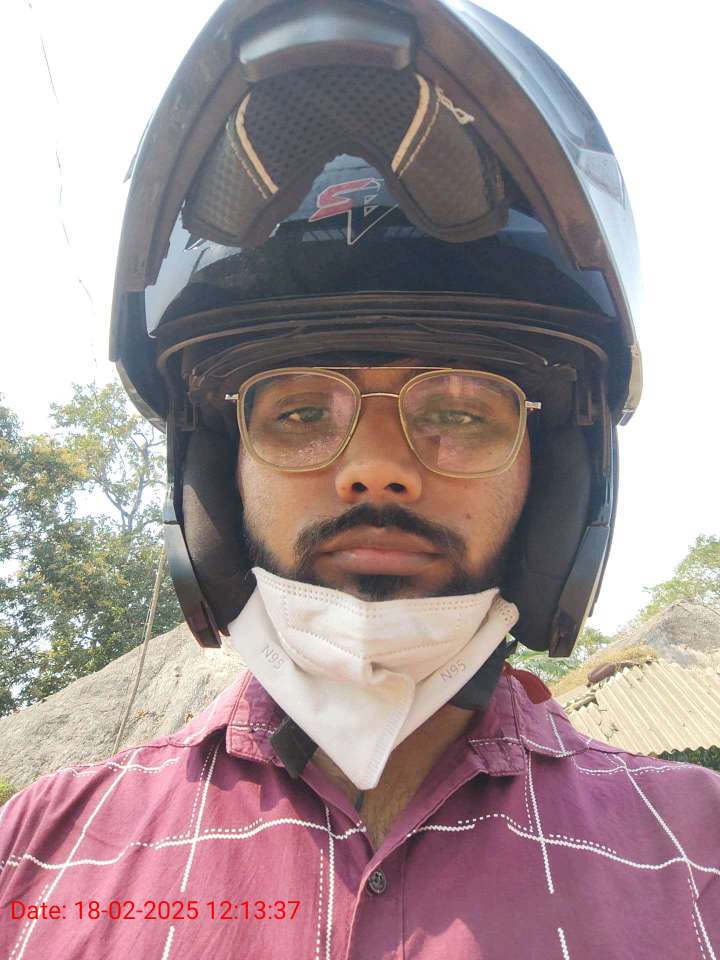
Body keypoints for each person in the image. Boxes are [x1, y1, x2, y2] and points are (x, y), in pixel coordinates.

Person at [1, 2, 719, 958]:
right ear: (218, 472)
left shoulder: (700, 857)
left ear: (552, 476)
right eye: (300, 414)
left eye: (461, 413)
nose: (376, 469)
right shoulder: (34, 859)